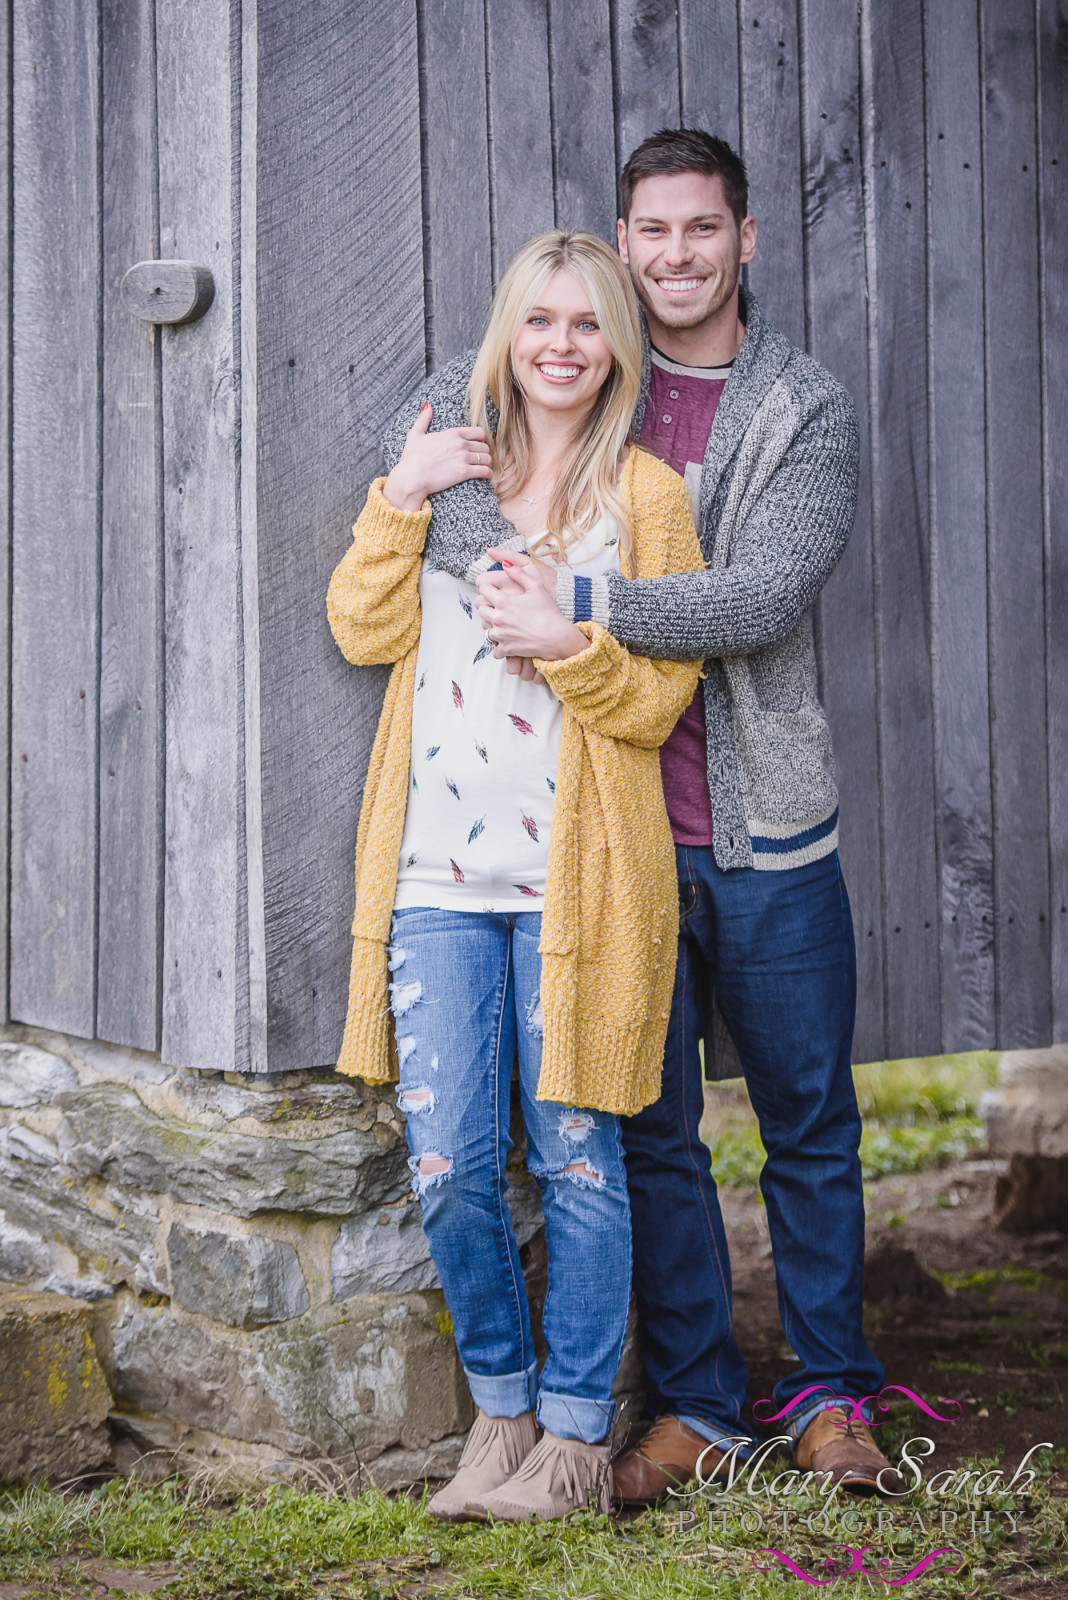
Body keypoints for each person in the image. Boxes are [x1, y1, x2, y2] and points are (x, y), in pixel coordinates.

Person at [381, 129, 897, 1503]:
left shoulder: (801, 408)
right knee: (647, 1131)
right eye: (650, 233)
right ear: (621, 244)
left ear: (745, 240)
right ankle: (697, 1408)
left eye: (701, 230)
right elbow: (435, 489)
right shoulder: (566, 362)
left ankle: (833, 1395)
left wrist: (581, 607)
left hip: (763, 828)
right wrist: (425, 495)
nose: (675, 256)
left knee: (808, 1117)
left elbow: (762, 597)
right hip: (603, 844)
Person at [327, 229, 704, 1523]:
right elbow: (361, 625)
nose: (560, 344)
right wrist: (399, 489)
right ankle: (499, 1411)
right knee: (449, 1165)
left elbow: (662, 696)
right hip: (432, 877)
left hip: (579, 885)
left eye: (587, 323)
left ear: (616, 345)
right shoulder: (453, 472)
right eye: (539, 321)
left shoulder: (645, 496)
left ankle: (576, 1438)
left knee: (581, 1159)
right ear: (509, 335)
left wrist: (566, 642)